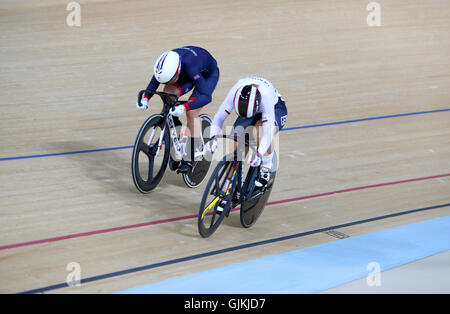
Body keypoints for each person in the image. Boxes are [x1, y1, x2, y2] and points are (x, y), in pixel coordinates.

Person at [137, 46, 220, 173]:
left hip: (206, 75)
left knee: (192, 113)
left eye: (170, 79)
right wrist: (145, 99)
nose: (168, 82)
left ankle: (190, 158)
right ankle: (175, 129)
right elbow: (155, 82)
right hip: (186, 73)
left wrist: (184, 107)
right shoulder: (164, 65)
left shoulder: (191, 66)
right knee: (168, 93)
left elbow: (206, 97)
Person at [207, 77, 288, 190]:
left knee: (259, 131)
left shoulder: (266, 98)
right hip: (249, 110)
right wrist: (212, 138)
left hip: (275, 109)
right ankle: (229, 183)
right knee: (235, 143)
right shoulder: (235, 92)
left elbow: (268, 133)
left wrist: (259, 154)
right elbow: (219, 117)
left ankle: (266, 167)